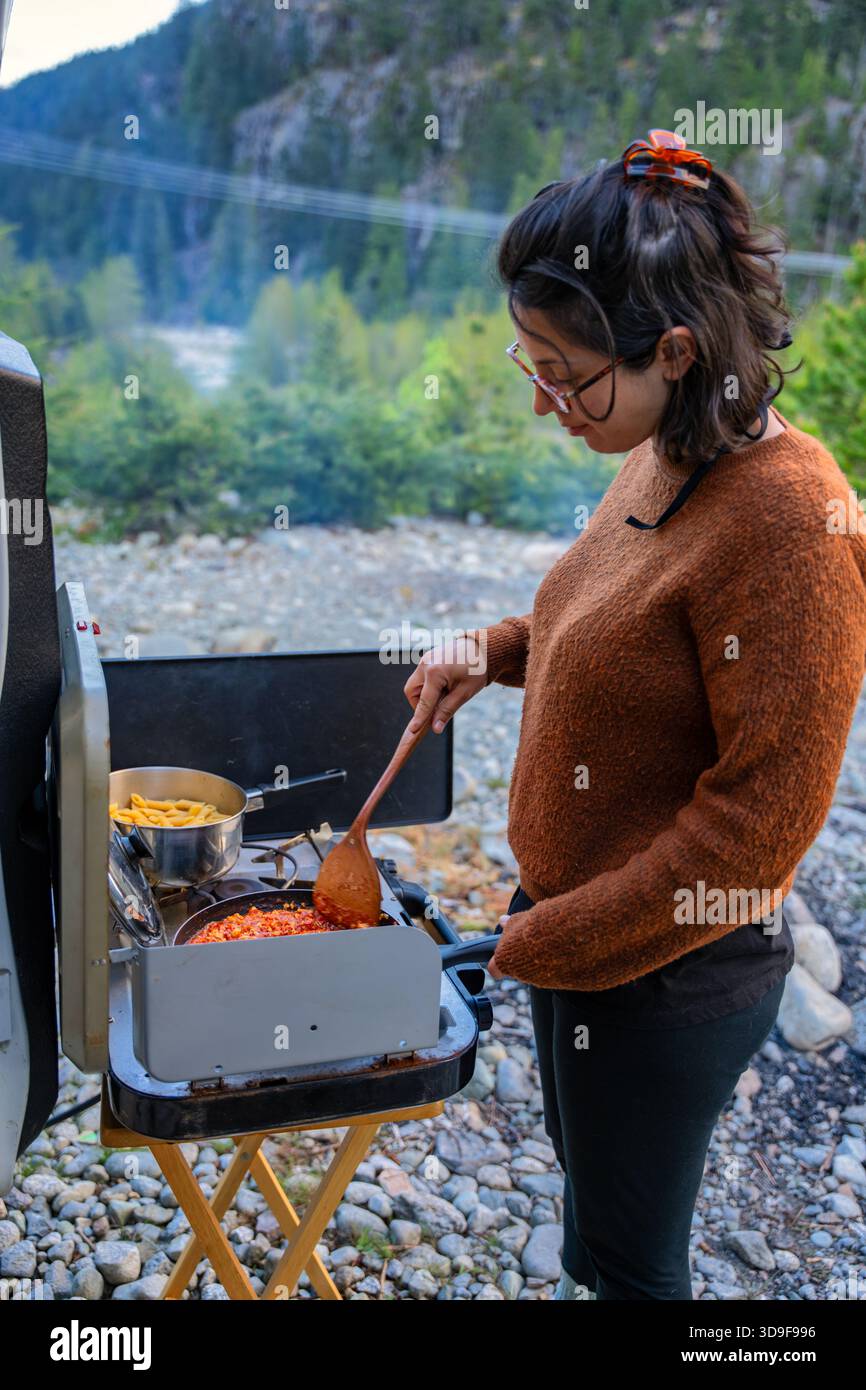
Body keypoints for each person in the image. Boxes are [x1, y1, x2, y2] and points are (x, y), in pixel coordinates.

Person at [403, 130, 866, 1301]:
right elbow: (608, 625)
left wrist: (538, 943)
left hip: (669, 972)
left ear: (672, 346)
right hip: (578, 937)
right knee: (585, 1204)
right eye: (531, 365)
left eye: (568, 372)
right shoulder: (667, 444)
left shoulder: (789, 522)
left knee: (626, 1262)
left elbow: (756, 829)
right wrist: (493, 649)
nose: (548, 400)